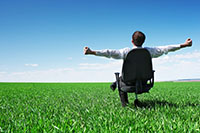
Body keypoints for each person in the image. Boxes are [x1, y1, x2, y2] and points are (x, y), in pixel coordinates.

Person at [83, 31, 192, 106]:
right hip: (145, 81)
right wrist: (184, 45)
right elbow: (166, 48)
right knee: (120, 79)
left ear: (132, 41)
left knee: (119, 79)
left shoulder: (126, 52)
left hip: (128, 82)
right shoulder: (149, 51)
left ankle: (124, 104)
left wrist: (92, 52)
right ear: (144, 41)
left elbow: (109, 53)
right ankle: (115, 84)